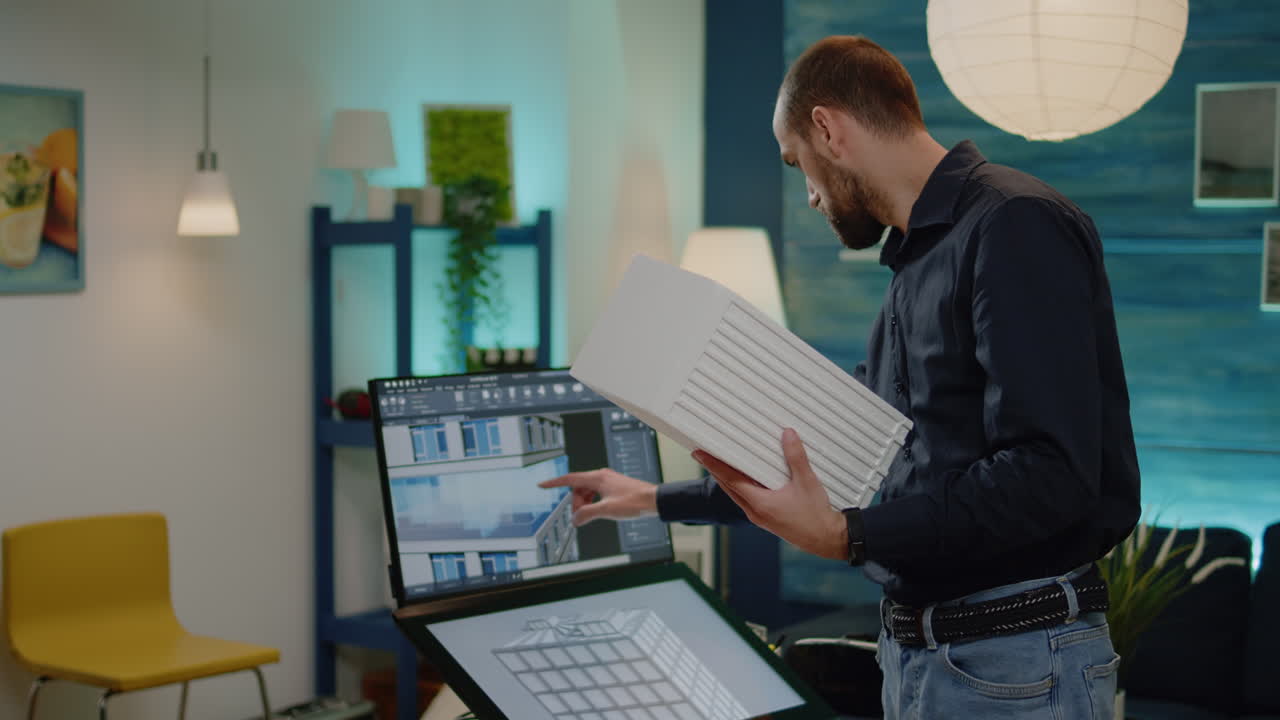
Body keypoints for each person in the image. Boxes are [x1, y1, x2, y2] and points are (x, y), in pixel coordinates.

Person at [541, 35, 1140, 719]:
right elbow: (834, 453)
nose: (811, 196)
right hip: (925, 658)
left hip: (1015, 664)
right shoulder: (914, 264)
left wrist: (848, 536)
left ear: (827, 128)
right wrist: (650, 498)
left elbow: (1049, 476)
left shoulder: (1013, 223)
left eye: (799, 164)